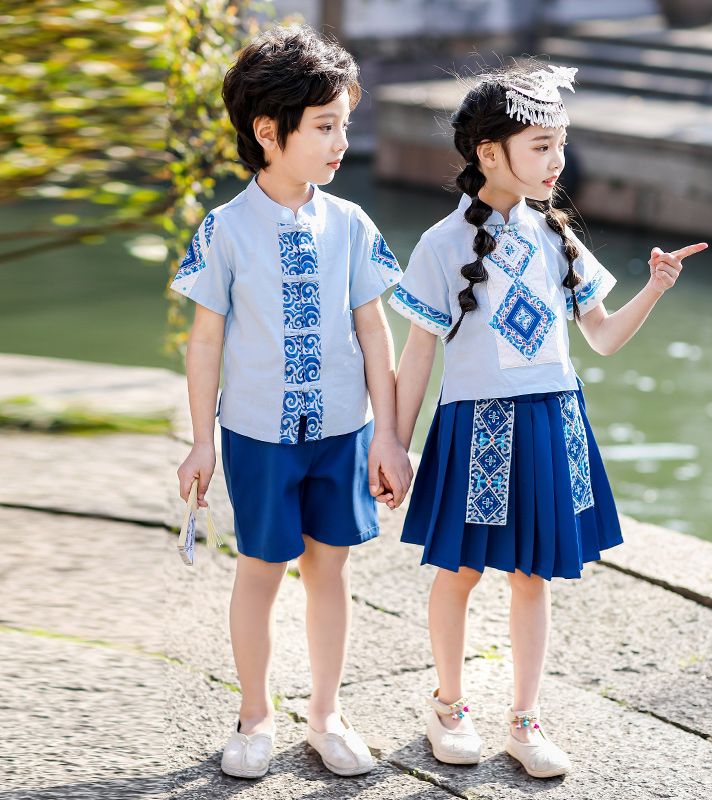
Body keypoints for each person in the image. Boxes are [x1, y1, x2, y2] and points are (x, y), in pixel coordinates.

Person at [389, 64, 707, 778]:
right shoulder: (442, 245)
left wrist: (654, 288)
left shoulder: (558, 237)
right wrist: (393, 442)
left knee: (534, 577)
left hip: (553, 421)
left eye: (560, 143)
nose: (556, 160)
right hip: (478, 431)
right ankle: (448, 705)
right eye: (541, 144)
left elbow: (602, 338)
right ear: (488, 153)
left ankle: (525, 721)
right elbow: (416, 357)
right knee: (460, 569)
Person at [172, 25, 412, 779]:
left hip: (343, 433)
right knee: (261, 568)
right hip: (255, 436)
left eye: (344, 123)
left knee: (331, 571)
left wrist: (391, 437)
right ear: (267, 132)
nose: (343, 141)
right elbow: (204, 342)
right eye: (326, 126)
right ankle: (254, 715)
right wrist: (202, 439)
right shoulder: (224, 230)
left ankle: (327, 713)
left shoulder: (352, 224)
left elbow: (376, 334)